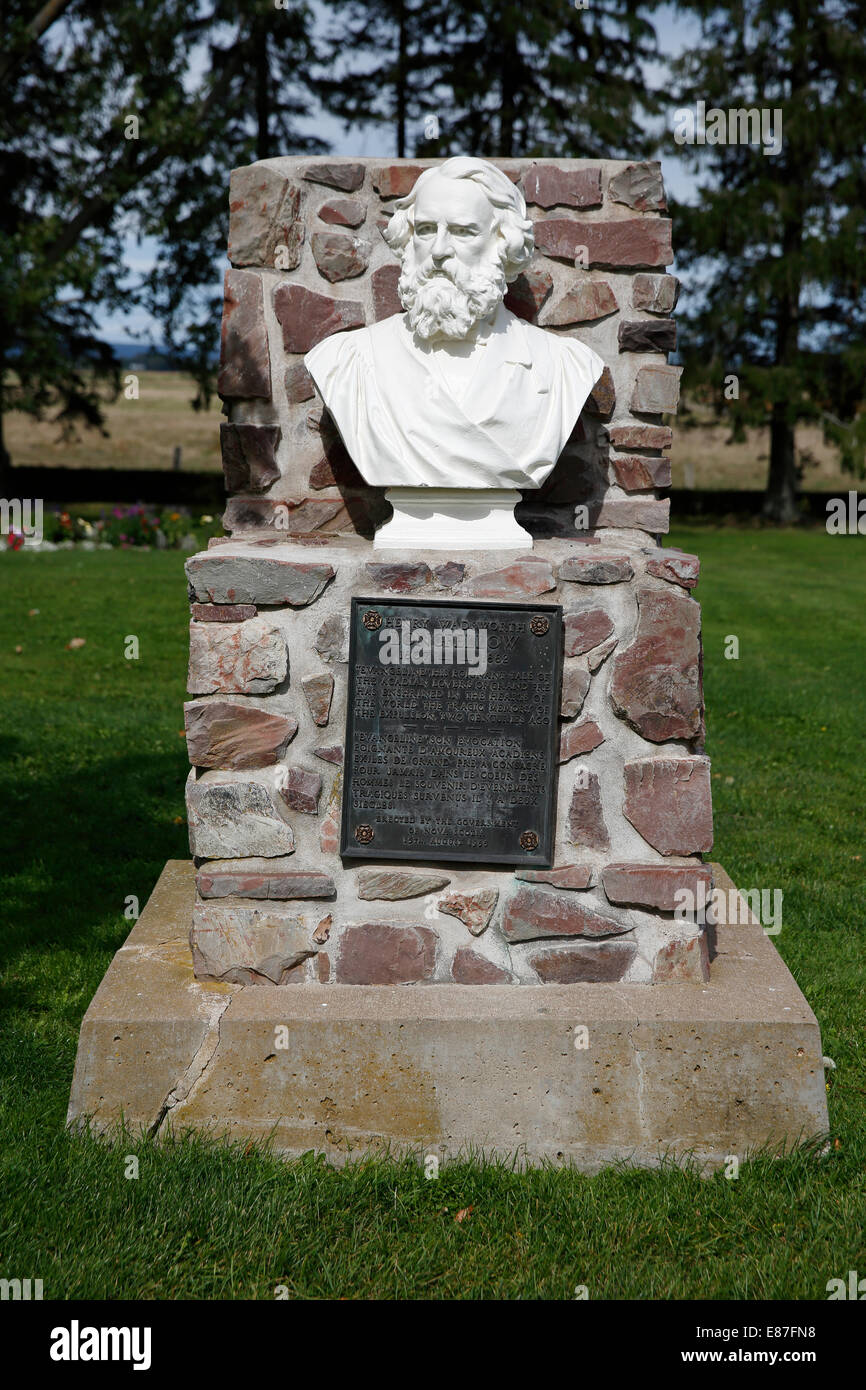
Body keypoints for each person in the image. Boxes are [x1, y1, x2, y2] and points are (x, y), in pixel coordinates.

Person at [304, 156, 604, 491]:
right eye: (427, 230)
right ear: (408, 239)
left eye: (463, 231)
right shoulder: (349, 361)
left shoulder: (561, 365)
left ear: (503, 245)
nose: (439, 250)